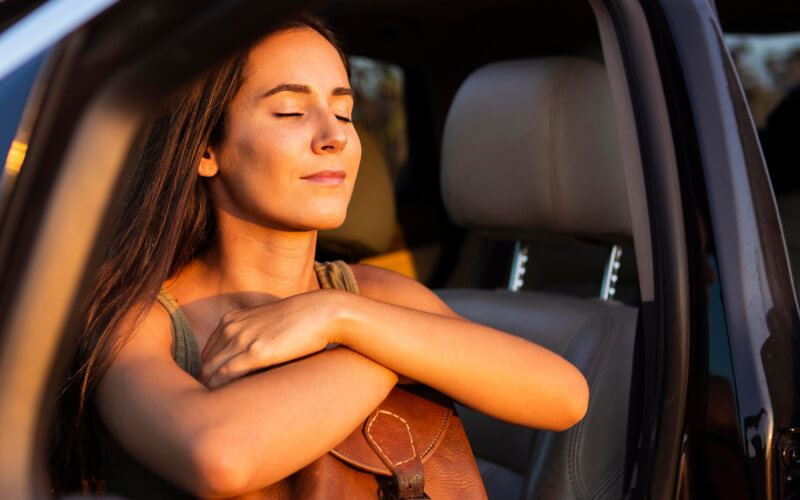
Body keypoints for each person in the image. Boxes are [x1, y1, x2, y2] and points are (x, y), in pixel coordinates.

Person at [49, 16, 589, 499]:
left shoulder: (370, 295)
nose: (334, 136)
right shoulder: (135, 320)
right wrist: (389, 352)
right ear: (206, 150)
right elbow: (219, 457)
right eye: (290, 111)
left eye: (345, 112)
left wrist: (340, 316)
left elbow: (565, 395)